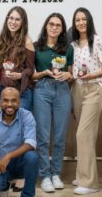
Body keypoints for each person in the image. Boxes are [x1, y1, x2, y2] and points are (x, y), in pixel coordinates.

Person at [70, 7, 102, 195]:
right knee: (86, 134)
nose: (80, 23)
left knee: (83, 134)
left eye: (84, 19)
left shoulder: (99, 41)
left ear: (89, 20)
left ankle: (89, 183)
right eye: (77, 20)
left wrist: (94, 74)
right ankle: (83, 174)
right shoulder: (73, 44)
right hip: (76, 89)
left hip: (94, 88)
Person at [32, 13, 73, 193]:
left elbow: (71, 73)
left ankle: (56, 173)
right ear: (46, 26)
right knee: (43, 136)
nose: (54, 27)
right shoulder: (36, 47)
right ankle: (45, 175)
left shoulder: (68, 48)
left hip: (63, 90)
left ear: (62, 29)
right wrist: (44, 73)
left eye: (58, 25)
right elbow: (31, 75)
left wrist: (67, 75)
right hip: (42, 90)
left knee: (60, 136)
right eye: (51, 24)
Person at [0, 6, 35, 191]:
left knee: (21, 135)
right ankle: (9, 172)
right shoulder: (0, 40)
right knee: (5, 134)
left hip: (22, 93)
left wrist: (21, 76)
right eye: (10, 18)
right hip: (3, 92)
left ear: (23, 23)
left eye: (17, 19)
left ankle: (22, 176)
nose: (13, 22)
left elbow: (30, 69)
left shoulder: (27, 42)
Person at [0, 87, 39, 197]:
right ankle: (4, 187)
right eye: (6, 100)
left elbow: (31, 143)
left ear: (19, 102)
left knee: (32, 157)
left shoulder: (27, 116)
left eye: (13, 100)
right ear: (0, 102)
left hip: (20, 163)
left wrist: (9, 156)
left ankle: (28, 195)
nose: (9, 104)